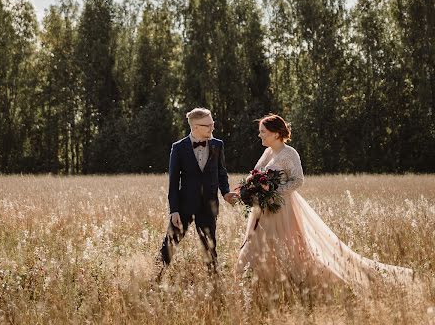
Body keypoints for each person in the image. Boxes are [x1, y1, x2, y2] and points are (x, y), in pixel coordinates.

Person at [236, 113, 414, 292]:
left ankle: (296, 285)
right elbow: (256, 173)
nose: (260, 135)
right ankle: (260, 286)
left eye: (263, 132)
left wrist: (274, 192)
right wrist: (250, 188)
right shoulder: (268, 152)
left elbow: (298, 180)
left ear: (275, 134)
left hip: (283, 208)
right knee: (258, 246)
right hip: (264, 209)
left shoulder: (289, 154)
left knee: (288, 246)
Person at [158, 108, 237, 277]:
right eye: (208, 125)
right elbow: (173, 182)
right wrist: (174, 210)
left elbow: (221, 173)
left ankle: (215, 286)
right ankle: (154, 281)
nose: (212, 128)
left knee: (210, 248)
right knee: (169, 246)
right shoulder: (178, 148)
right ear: (195, 127)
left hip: (209, 206)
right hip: (184, 206)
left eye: (212, 124)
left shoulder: (218, 145)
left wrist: (226, 193)